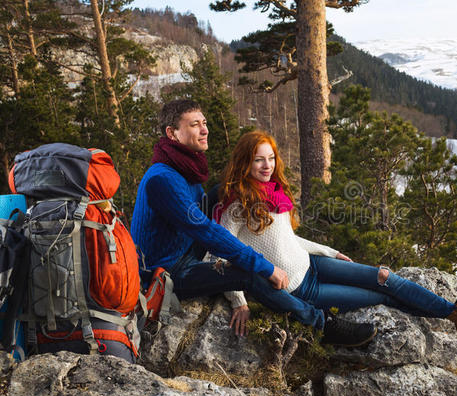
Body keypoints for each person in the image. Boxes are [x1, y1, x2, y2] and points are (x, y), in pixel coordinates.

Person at [214, 130, 457, 341]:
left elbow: (286, 241)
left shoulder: (276, 195)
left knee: (385, 276)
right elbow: (219, 254)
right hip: (302, 290)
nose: (267, 166)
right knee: (380, 297)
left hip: (313, 264)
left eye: (270, 158)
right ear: (245, 163)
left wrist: (328, 251)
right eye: (258, 160)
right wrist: (238, 301)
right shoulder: (238, 205)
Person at [130, 99, 376, 346]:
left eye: (204, 123)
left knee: (220, 192)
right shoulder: (163, 179)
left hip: (185, 250)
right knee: (251, 275)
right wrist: (264, 267)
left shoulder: (184, 167)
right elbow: (205, 230)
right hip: (169, 273)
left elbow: (203, 215)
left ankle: (249, 242)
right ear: (172, 133)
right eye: (195, 125)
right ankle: (321, 324)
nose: (205, 130)